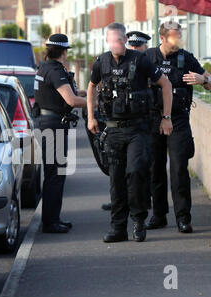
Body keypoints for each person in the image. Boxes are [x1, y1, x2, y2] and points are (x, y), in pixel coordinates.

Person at [87, 23, 173, 242]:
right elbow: (91, 87)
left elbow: (165, 85)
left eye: (119, 40)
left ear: (125, 40)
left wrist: (166, 117)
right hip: (113, 129)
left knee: (135, 173)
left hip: (138, 129)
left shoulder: (140, 60)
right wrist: (91, 116)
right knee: (116, 180)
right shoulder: (101, 61)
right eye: (112, 40)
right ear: (107, 41)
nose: (116, 44)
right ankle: (118, 228)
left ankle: (138, 221)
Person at [145, 22, 211, 233]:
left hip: (178, 119)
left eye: (180, 35)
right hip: (153, 118)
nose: (179, 39)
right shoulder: (148, 57)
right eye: (175, 36)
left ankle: (183, 218)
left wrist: (203, 79)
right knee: (155, 168)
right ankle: (159, 215)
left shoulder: (186, 57)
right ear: (163, 38)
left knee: (178, 169)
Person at [34, 33, 87, 234]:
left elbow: (67, 95)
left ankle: (52, 218)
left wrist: (84, 93)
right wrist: (93, 102)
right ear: (63, 52)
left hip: (47, 123)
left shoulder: (44, 67)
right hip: (53, 125)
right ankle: (50, 222)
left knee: (53, 174)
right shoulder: (55, 71)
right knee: (55, 175)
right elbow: (71, 100)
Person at [100, 30, 153, 212]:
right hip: (118, 125)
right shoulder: (110, 62)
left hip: (144, 122)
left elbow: (158, 89)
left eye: (138, 45)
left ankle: (142, 205)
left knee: (139, 169)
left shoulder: (144, 62)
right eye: (133, 45)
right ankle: (125, 205)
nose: (135, 48)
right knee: (119, 173)